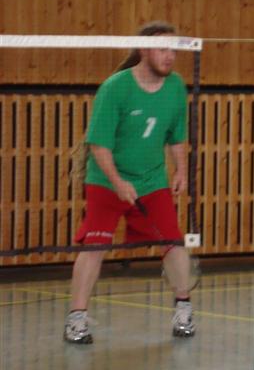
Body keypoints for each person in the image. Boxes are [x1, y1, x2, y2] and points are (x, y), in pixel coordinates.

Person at [64, 21, 195, 344]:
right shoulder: (115, 88)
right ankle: (76, 319)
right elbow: (99, 145)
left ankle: (184, 309)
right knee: (94, 247)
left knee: (174, 242)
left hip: (151, 180)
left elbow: (176, 136)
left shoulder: (176, 87)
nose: (170, 55)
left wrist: (180, 170)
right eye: (163, 49)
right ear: (144, 50)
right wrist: (118, 182)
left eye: (174, 49)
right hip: (106, 180)